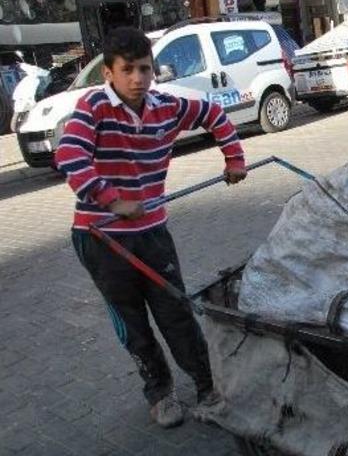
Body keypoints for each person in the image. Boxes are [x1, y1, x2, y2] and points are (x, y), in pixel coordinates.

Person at [54, 26, 247, 429]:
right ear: (109, 73)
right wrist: (112, 200)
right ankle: (159, 393)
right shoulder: (93, 109)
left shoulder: (166, 107)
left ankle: (207, 387)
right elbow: (70, 156)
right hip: (101, 236)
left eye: (145, 69)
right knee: (132, 320)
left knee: (175, 309)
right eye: (127, 70)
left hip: (152, 231)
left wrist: (233, 159)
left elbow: (213, 113)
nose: (137, 79)